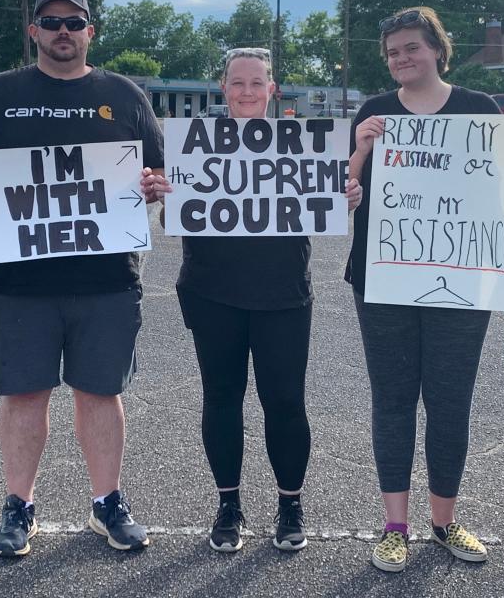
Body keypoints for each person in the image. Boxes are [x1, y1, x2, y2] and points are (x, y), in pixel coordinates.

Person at [0, 0, 164, 556]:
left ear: (91, 31)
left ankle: (107, 503)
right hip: (17, 284)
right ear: (34, 30)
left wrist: (153, 187)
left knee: (101, 395)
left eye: (74, 21)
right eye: (51, 21)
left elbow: (160, 175)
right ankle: (20, 508)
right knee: (23, 397)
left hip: (107, 280)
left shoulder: (124, 94)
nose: (63, 31)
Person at [141, 47, 364, 553]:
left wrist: (344, 197)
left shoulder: (302, 143)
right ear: (223, 88)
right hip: (212, 291)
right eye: (237, 82)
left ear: (272, 89)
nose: (246, 91)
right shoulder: (195, 143)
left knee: (284, 401)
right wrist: (164, 196)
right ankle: (229, 504)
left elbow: (325, 205)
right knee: (222, 399)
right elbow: (169, 221)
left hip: (283, 293)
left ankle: (290, 503)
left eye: (256, 82)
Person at [345, 6, 504, 573]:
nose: (401, 58)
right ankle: (395, 526)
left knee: (451, 400)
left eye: (411, 47)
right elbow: (341, 195)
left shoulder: (478, 109)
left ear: (437, 49)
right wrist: (359, 150)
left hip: (465, 278)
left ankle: (445, 519)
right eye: (392, 52)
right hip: (382, 279)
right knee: (393, 400)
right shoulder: (376, 113)